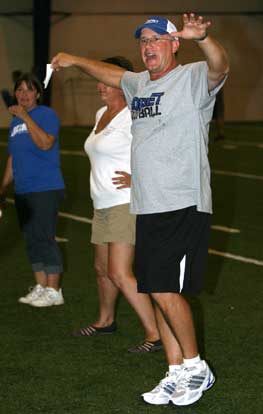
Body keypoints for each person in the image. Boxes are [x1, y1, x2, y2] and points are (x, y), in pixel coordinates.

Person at [51, 12, 229, 407]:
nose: (148, 46)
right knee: (152, 286)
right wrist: (75, 59)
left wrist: (203, 39)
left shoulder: (193, 77)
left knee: (166, 289)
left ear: (174, 44)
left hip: (182, 201)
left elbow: (220, 67)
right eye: (143, 40)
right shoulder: (139, 84)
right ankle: (175, 370)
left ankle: (197, 366)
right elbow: (111, 75)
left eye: (157, 39)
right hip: (146, 205)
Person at [72, 56, 162, 354]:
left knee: (120, 272)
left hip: (125, 202)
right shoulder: (101, 113)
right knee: (101, 269)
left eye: (105, 80)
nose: (100, 85)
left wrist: (139, 178)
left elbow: (159, 148)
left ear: (120, 82)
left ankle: (155, 334)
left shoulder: (134, 116)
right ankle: (105, 320)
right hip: (101, 202)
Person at [0, 73, 65, 307]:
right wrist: (3, 187)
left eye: (29, 90)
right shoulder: (16, 122)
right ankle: (40, 286)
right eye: (19, 90)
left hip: (45, 188)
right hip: (24, 190)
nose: (23, 94)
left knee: (44, 237)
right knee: (31, 240)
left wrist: (25, 116)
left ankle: (54, 290)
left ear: (38, 93)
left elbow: (45, 143)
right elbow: (13, 157)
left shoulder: (46, 115)